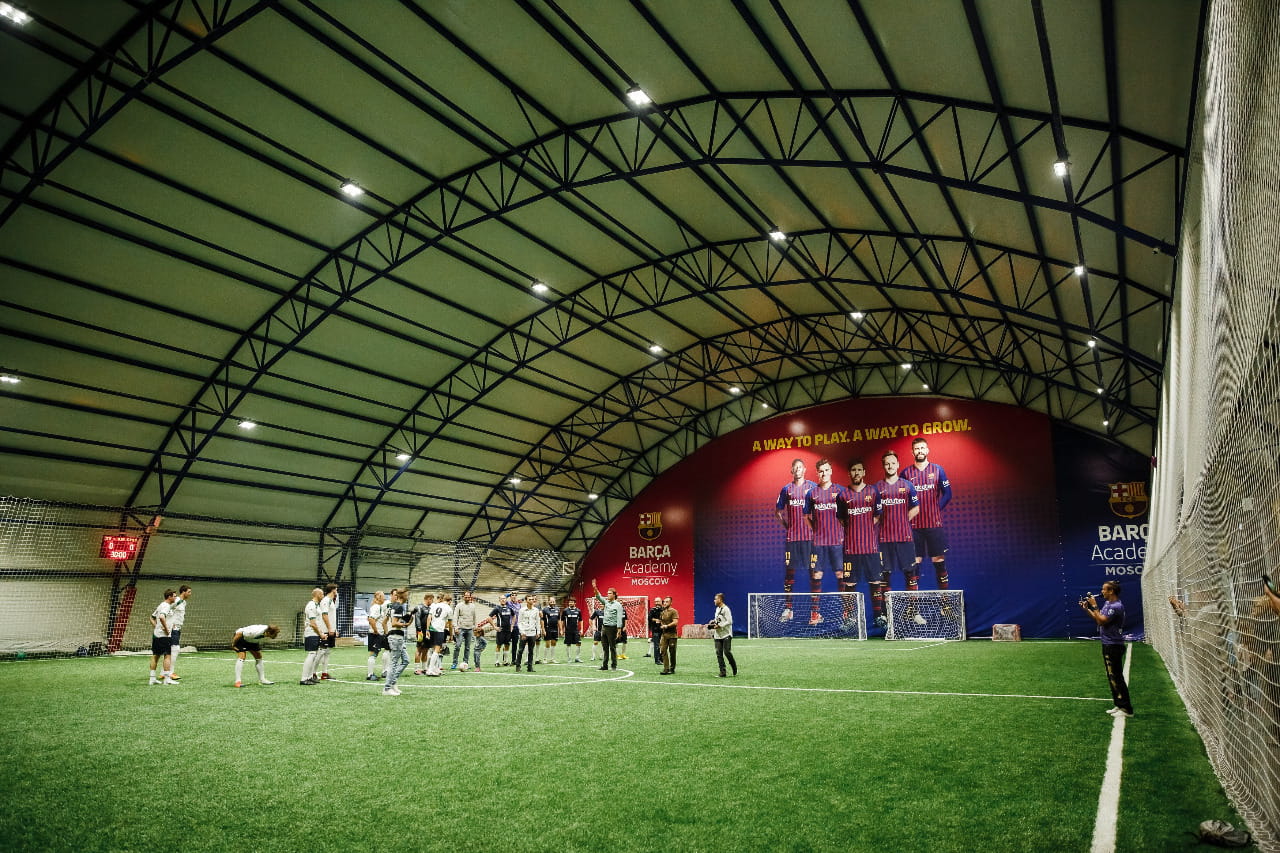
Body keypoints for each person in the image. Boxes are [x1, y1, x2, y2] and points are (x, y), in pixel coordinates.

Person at [902, 437, 953, 589]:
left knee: (938, 560)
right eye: (917, 449)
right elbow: (900, 498)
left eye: (922, 448)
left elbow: (948, 494)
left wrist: (936, 509)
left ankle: (945, 600)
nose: (920, 451)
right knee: (914, 563)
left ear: (927, 450)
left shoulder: (938, 470)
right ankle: (913, 602)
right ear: (912, 452)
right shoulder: (905, 473)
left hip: (934, 524)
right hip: (913, 526)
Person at [803, 458, 848, 626]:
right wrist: (815, 530)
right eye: (821, 471)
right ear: (817, 473)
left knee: (841, 574)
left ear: (831, 471)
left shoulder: (841, 491)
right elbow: (806, 516)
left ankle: (846, 612)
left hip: (837, 541)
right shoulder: (811, 493)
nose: (824, 473)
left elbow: (848, 515)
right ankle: (815, 614)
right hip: (818, 543)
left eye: (826, 470)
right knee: (816, 575)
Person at [843, 460, 885, 628]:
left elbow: (878, 515)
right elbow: (841, 520)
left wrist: (865, 527)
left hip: (870, 548)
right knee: (849, 583)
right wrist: (854, 528)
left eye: (859, 469)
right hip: (850, 549)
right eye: (853, 470)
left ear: (864, 472)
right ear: (849, 473)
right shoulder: (842, 495)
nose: (856, 472)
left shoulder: (873, 492)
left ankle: (878, 616)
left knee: (875, 581)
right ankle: (849, 618)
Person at [1081, 581, 1133, 717]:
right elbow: (1098, 619)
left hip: (1113, 645)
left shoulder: (1116, 606)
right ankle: (1119, 704)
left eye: (1104, 589)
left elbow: (1102, 621)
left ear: (1111, 591)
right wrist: (1087, 609)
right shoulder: (1108, 604)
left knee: (1116, 677)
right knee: (1112, 677)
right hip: (1108, 644)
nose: (1102, 591)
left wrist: (1094, 606)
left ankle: (1126, 708)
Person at [875, 450, 920, 604]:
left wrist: (903, 520)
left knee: (910, 573)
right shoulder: (876, 488)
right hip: (884, 539)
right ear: (883, 466)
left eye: (893, 463)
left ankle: (913, 610)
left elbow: (916, 507)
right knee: (884, 574)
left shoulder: (907, 485)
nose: (890, 466)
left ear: (898, 464)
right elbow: (873, 513)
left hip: (904, 537)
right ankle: (885, 611)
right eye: (887, 464)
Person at [775, 457, 816, 622]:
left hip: (810, 539)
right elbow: (778, 512)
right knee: (789, 574)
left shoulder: (813, 487)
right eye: (795, 467)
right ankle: (788, 609)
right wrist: (788, 527)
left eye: (800, 467)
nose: (798, 469)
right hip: (792, 539)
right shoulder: (786, 489)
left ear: (805, 469)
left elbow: (820, 510)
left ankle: (815, 612)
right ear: (791, 471)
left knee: (814, 574)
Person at [383, 588, 412, 696]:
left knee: (406, 660)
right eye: (407, 595)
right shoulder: (399, 607)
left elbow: (385, 622)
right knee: (394, 663)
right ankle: (387, 688)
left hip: (394, 636)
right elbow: (394, 623)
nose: (408, 597)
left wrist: (387, 634)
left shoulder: (393, 606)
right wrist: (406, 624)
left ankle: (393, 682)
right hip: (396, 637)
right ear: (402, 595)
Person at [591, 579, 625, 670]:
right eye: (607, 593)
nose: (608, 595)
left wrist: (619, 629)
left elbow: (619, 618)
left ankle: (614, 665)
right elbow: (598, 596)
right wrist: (595, 587)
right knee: (605, 647)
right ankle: (605, 665)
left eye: (610, 593)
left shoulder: (618, 605)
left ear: (614, 595)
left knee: (612, 647)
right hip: (604, 627)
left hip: (612, 628)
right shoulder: (606, 602)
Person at [148, 589, 178, 686]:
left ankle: (152, 678)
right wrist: (166, 629)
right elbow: (161, 617)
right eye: (174, 596)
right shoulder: (166, 606)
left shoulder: (161, 605)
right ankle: (167, 679)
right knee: (167, 656)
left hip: (157, 634)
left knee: (155, 655)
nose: (175, 598)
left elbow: (152, 617)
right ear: (169, 597)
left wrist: (157, 627)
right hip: (164, 636)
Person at [705, 593, 737, 677]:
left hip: (726, 634)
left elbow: (729, 621)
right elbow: (718, 619)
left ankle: (734, 666)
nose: (714, 601)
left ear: (720, 600)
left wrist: (720, 625)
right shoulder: (717, 609)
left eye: (715, 599)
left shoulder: (726, 609)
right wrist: (713, 621)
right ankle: (722, 672)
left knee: (727, 652)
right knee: (719, 653)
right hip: (718, 635)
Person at [300, 587, 325, 685]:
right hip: (311, 633)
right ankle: (304, 678)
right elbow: (313, 623)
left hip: (316, 633)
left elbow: (318, 622)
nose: (323, 596)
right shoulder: (311, 605)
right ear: (317, 594)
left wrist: (321, 633)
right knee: (311, 654)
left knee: (314, 655)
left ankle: (310, 677)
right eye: (322, 594)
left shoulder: (317, 606)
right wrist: (320, 634)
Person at [168, 584, 191, 680]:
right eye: (189, 592)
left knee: (170, 650)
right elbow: (168, 609)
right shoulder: (177, 600)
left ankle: (164, 672)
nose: (190, 594)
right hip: (173, 628)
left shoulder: (184, 602)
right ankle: (170, 673)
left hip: (178, 628)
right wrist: (170, 623)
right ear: (183, 592)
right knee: (175, 649)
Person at [451, 590, 479, 671]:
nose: (467, 598)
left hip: (470, 629)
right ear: (463, 597)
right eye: (465, 597)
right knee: (458, 645)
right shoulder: (459, 605)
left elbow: (474, 617)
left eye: (468, 597)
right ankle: (454, 663)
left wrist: (475, 627)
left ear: (470, 597)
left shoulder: (473, 606)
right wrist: (455, 627)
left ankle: (465, 663)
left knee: (467, 647)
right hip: (460, 628)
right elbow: (455, 616)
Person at [425, 592, 452, 677]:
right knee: (437, 650)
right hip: (439, 630)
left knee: (434, 650)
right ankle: (430, 670)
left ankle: (435, 668)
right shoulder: (448, 608)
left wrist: (427, 629)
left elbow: (429, 617)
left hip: (431, 628)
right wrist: (451, 635)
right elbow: (450, 624)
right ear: (449, 601)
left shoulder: (434, 605)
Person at [516, 594, 542, 673]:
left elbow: (537, 622)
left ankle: (530, 667)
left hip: (532, 633)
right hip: (524, 633)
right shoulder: (522, 610)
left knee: (531, 650)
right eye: (529, 599)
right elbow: (519, 622)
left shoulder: (536, 610)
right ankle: (518, 666)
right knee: (520, 650)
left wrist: (538, 631)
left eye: (532, 599)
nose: (531, 601)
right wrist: (522, 632)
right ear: (526, 601)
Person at [366, 590, 389, 681]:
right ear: (379, 597)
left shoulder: (378, 607)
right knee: (373, 654)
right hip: (375, 634)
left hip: (378, 634)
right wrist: (376, 630)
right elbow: (371, 619)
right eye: (383, 596)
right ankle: (370, 674)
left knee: (375, 653)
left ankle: (371, 673)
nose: (384, 598)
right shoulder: (376, 607)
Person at [318, 582, 338, 680]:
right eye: (336, 590)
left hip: (330, 630)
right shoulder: (326, 600)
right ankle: (312, 673)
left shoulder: (331, 601)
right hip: (325, 630)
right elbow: (324, 615)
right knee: (321, 652)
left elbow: (331, 616)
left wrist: (334, 629)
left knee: (327, 652)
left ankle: (324, 673)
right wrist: (329, 628)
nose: (337, 591)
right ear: (333, 590)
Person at [490, 592, 516, 666]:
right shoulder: (497, 608)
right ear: (499, 600)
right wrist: (494, 627)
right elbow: (489, 618)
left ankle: (506, 661)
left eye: (504, 598)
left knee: (507, 645)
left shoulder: (509, 608)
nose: (503, 600)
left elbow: (514, 616)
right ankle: (497, 662)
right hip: (500, 630)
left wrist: (512, 626)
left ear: (506, 599)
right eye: (501, 599)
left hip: (508, 630)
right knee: (499, 645)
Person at [413, 593, 434, 675]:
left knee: (426, 649)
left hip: (428, 632)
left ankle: (424, 668)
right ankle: (416, 669)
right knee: (419, 649)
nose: (432, 601)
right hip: (421, 631)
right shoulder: (419, 607)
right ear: (428, 599)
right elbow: (417, 619)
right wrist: (419, 630)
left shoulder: (431, 608)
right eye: (431, 599)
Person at [658, 596, 679, 674]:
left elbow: (675, 622)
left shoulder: (674, 611)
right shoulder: (662, 612)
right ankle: (666, 668)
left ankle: (672, 668)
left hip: (672, 635)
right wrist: (660, 624)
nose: (665, 603)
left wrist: (667, 626)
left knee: (672, 652)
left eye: (667, 602)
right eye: (664, 602)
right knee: (663, 650)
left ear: (671, 603)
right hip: (664, 635)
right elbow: (661, 621)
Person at [561, 596, 583, 663]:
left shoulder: (578, 611)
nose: (570, 603)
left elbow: (581, 620)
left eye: (572, 602)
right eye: (569, 602)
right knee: (568, 644)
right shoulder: (565, 611)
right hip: (568, 631)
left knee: (578, 643)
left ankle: (577, 658)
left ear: (575, 603)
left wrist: (581, 629)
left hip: (576, 630)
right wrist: (562, 629)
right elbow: (562, 620)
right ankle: (569, 658)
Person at [541, 595, 561, 663]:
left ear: (555, 602)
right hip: (547, 629)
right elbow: (542, 620)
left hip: (555, 629)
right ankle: (545, 659)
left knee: (554, 643)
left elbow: (559, 620)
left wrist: (561, 629)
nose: (552, 602)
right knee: (547, 644)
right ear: (548, 601)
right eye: (551, 601)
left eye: (553, 601)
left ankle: (552, 659)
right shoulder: (545, 609)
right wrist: (543, 629)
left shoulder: (557, 609)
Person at [647, 597, 665, 662]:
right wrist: (655, 620)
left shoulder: (664, 609)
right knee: (656, 645)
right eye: (655, 602)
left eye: (658, 601)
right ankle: (657, 660)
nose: (656, 603)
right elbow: (649, 618)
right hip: (655, 630)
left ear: (661, 602)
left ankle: (661, 658)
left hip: (664, 630)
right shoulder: (652, 610)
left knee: (663, 645)